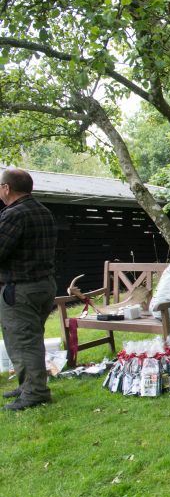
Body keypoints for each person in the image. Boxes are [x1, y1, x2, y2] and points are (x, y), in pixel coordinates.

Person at [0, 168, 57, 411]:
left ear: (7, 188)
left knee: (24, 341)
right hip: (43, 285)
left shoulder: (15, 214)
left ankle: (35, 392)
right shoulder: (43, 211)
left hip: (21, 289)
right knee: (30, 339)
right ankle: (28, 385)